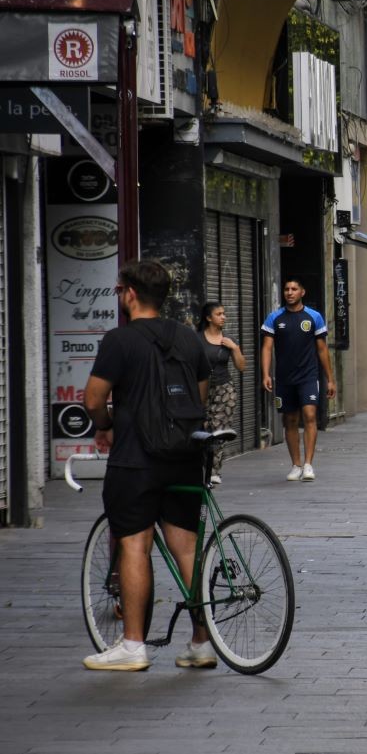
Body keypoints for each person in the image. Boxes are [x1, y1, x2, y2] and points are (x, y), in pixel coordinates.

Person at [81, 259, 214, 671]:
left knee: (134, 544)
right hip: (185, 455)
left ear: (131, 294)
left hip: (136, 459)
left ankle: (133, 645)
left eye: (121, 291)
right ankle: (203, 642)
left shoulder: (119, 341)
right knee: (186, 548)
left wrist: (107, 426)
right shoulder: (190, 339)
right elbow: (201, 395)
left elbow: (92, 400)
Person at [261, 278, 336, 482]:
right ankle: (296, 464)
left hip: (308, 376)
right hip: (285, 378)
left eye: (294, 289)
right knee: (290, 420)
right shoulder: (274, 318)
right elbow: (267, 347)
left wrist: (330, 379)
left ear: (302, 292)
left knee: (310, 414)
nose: (290, 292)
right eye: (287, 289)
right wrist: (266, 374)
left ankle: (309, 465)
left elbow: (322, 349)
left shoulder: (314, 317)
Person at [198, 302, 246, 484]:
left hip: (225, 391)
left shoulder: (229, 339)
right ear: (209, 318)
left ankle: (214, 471)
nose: (223, 317)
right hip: (202, 390)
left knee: (218, 430)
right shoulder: (197, 339)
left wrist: (234, 348)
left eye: (224, 313)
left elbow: (241, 367)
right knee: (203, 429)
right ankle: (204, 467)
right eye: (219, 314)